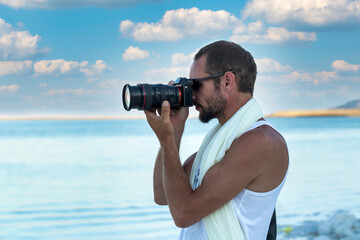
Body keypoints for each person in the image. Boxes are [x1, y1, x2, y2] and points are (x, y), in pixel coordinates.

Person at [144, 40, 289, 240]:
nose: (191, 95)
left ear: (227, 82)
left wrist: (167, 139)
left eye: (195, 85)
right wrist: (175, 130)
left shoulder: (262, 142)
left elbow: (183, 213)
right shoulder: (216, 146)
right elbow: (162, 195)